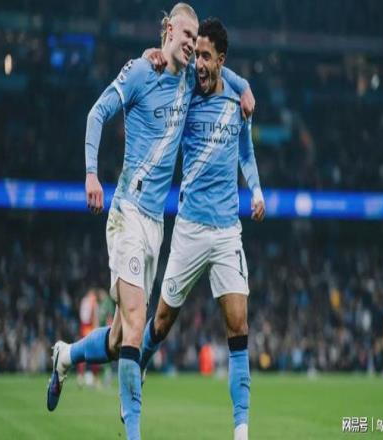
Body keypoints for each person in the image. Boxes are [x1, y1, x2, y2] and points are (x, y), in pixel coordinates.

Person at [46, 4, 254, 440]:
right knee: (137, 325)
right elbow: (96, 113)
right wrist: (90, 173)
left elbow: (222, 73)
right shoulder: (142, 71)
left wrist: (244, 85)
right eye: (185, 34)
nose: (191, 43)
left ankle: (65, 356)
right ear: (168, 29)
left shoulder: (188, 79)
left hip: (156, 225)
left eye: (195, 39)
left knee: (119, 338)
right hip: (127, 213)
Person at [139, 18, 265, 440]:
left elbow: (246, 152)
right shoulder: (186, 90)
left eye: (207, 57)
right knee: (160, 323)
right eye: (198, 56)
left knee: (239, 328)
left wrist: (257, 191)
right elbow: (163, 70)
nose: (200, 65)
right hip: (190, 228)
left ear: (221, 59)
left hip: (227, 231)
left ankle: (241, 431)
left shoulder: (236, 100)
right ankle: (138, 365)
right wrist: (153, 55)